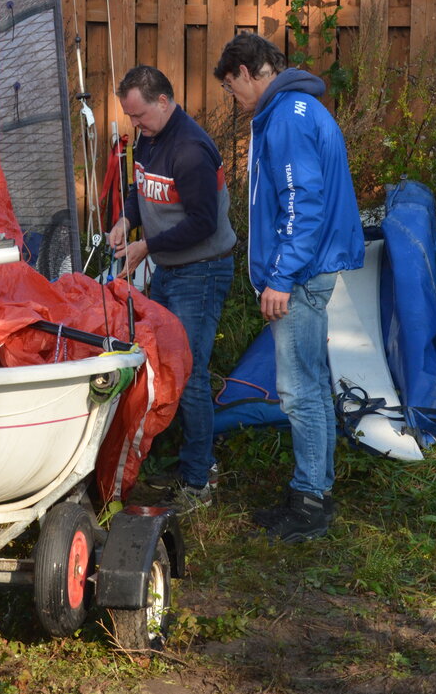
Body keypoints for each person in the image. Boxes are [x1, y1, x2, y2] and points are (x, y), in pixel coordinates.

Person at [213, 33, 364, 544]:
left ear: (248, 71)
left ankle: (310, 503)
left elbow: (303, 205)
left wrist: (279, 277)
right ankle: (312, 489)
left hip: (298, 276)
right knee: (312, 387)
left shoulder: (288, 117)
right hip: (306, 271)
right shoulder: (296, 110)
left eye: (231, 86)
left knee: (299, 392)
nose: (233, 97)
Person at [108, 65, 235, 512]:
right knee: (159, 365)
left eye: (139, 115)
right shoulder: (150, 136)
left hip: (201, 272)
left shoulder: (191, 150)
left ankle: (198, 482)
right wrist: (126, 219)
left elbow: (203, 223)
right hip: (169, 268)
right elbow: (139, 187)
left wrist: (147, 246)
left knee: (190, 374)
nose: (134, 124)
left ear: (163, 101)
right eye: (129, 116)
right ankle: (190, 462)